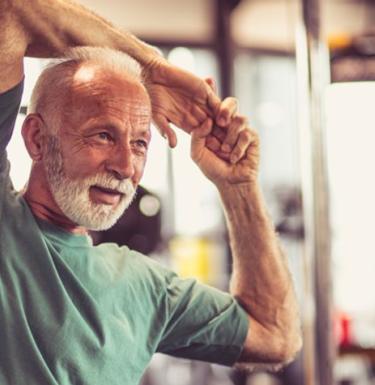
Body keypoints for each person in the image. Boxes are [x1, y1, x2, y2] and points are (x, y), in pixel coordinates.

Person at [0, 1, 302, 384]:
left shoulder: (143, 287)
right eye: (103, 135)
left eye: (140, 144)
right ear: (38, 138)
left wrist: (238, 189)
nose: (126, 167)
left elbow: (275, 335)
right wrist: (151, 66)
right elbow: (11, 14)